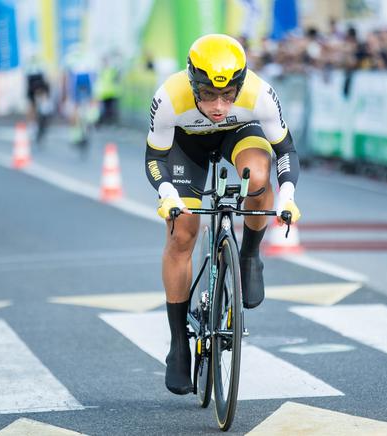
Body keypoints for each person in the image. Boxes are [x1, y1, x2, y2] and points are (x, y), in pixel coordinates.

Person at [144, 34, 301, 395]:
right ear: (192, 82)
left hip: (240, 136)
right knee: (182, 232)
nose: (219, 105)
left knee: (259, 178)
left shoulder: (260, 94)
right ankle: (179, 344)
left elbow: (286, 150)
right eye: (209, 94)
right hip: (187, 147)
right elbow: (155, 158)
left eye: (229, 94)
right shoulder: (169, 96)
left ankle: (249, 255)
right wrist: (167, 195)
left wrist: (289, 197)